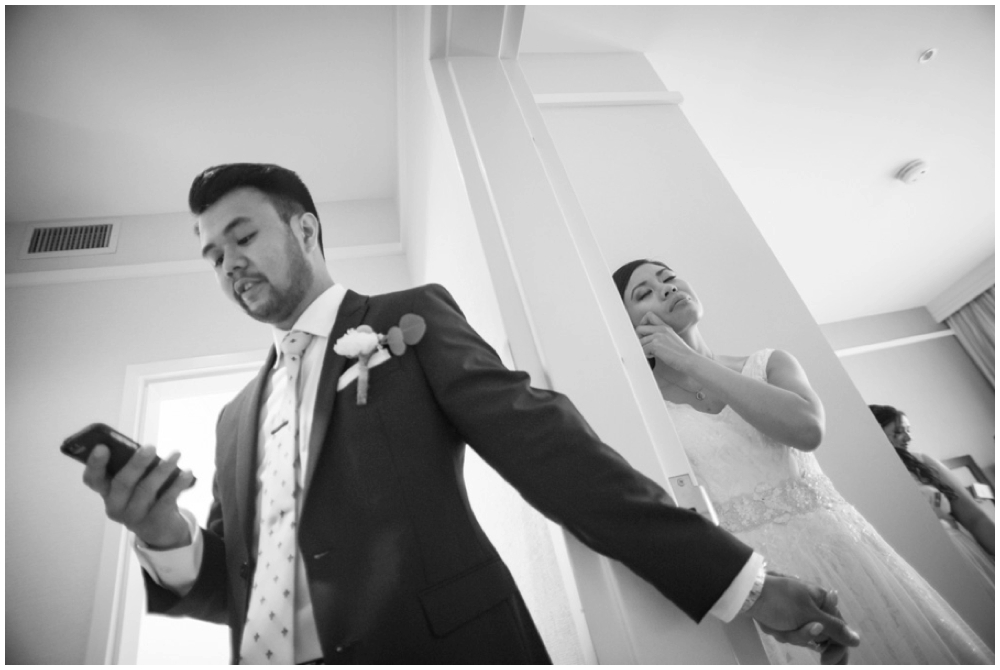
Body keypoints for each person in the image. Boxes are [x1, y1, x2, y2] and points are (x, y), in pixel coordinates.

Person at [82, 164, 859, 665]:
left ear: (305, 229)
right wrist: (166, 540)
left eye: (241, 236)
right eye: (213, 255)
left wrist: (743, 583)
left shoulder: (405, 320)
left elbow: (554, 455)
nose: (229, 264)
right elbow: (237, 589)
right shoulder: (231, 420)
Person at [613, 258, 995, 664]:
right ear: (627, 324)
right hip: (766, 584)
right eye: (645, 292)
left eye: (669, 277)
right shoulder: (644, 410)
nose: (667, 288)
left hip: (846, 550)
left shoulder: (769, 363)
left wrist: (690, 360)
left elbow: (806, 430)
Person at [869, 404, 995, 587]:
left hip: (961, 555)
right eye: (899, 431)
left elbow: (975, 518)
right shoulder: (865, 479)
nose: (908, 437)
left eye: (908, 431)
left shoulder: (922, 463)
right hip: (913, 570)